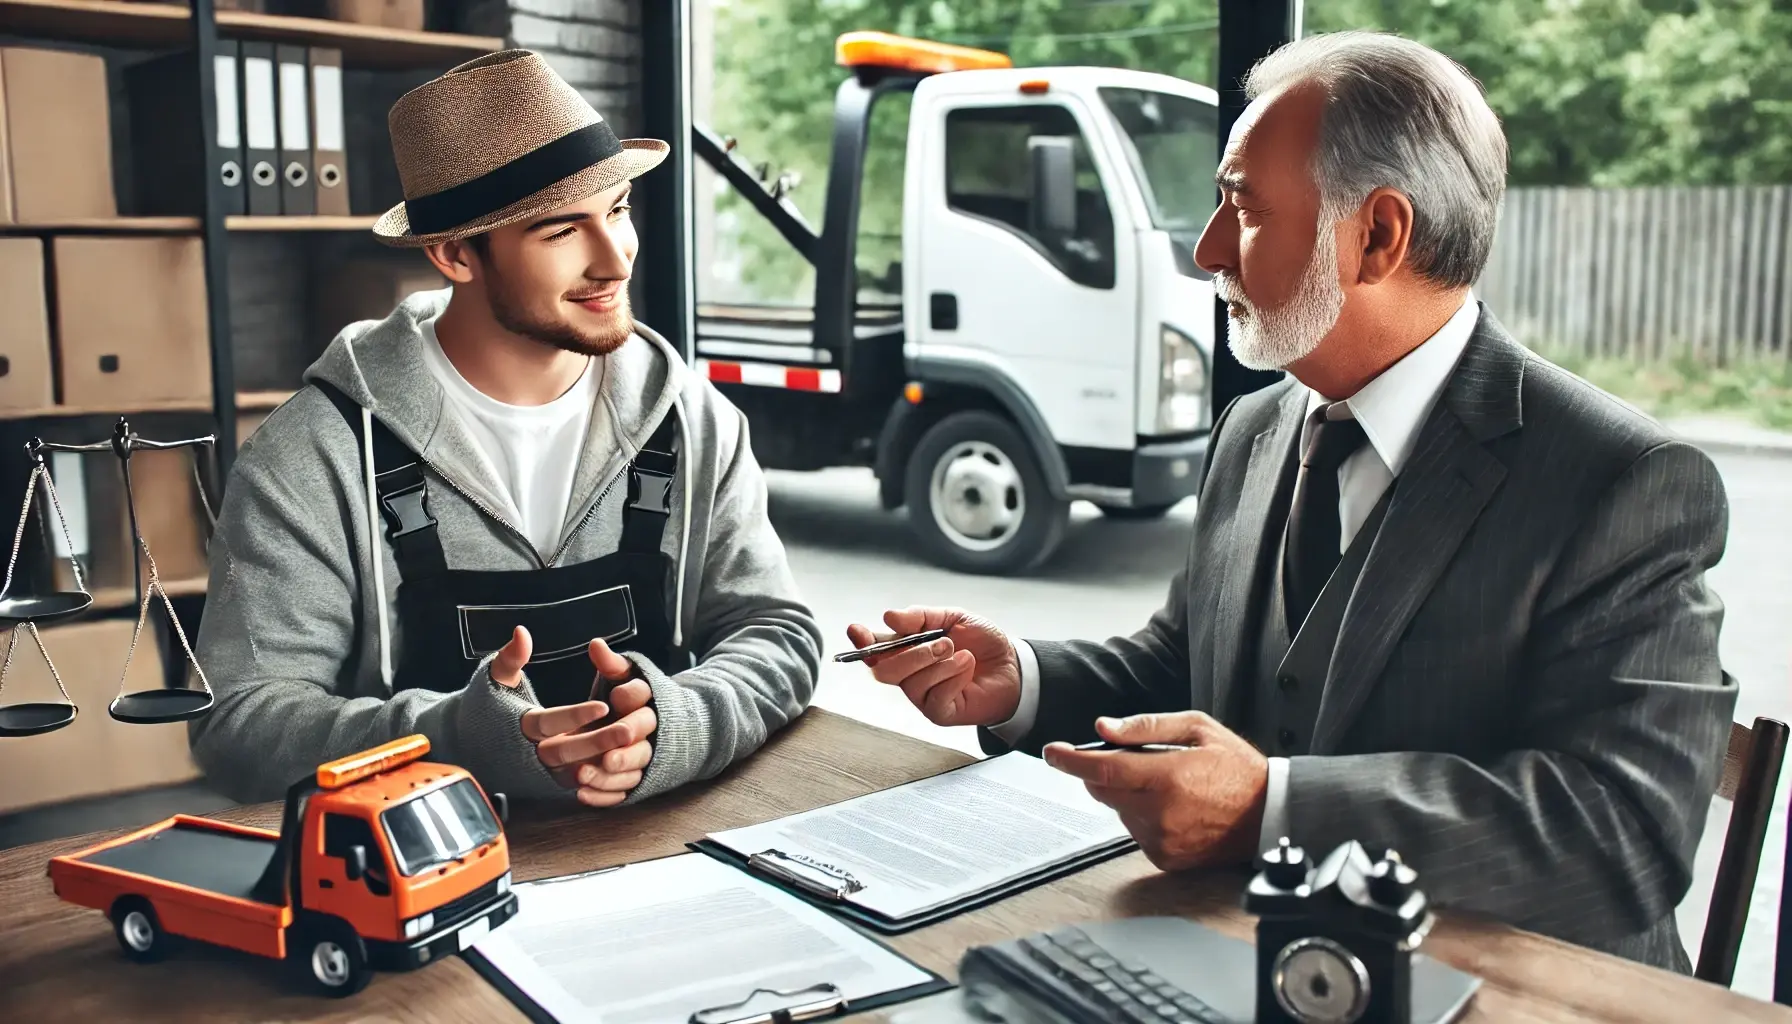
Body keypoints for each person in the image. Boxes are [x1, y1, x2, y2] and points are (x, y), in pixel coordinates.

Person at [847, 30, 1735, 971]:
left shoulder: (1627, 482)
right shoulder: (1255, 427)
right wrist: (1020, 680)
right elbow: (1186, 668)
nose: (1205, 250)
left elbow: (1622, 836)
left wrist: (1268, 810)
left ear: (1380, 236)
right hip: (1252, 963)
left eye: (1244, 209)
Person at [191, 50, 821, 809]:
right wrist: (453, 739)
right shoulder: (310, 458)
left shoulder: (694, 420)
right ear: (456, 254)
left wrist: (675, 724)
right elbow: (238, 726)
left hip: (667, 855)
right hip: (418, 879)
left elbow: (777, 632)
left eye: (618, 210)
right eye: (562, 231)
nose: (614, 258)